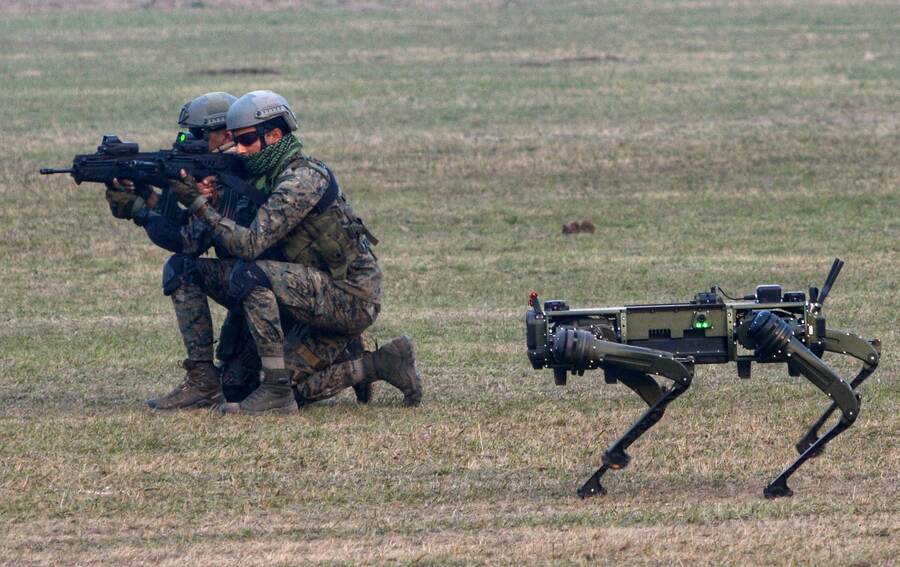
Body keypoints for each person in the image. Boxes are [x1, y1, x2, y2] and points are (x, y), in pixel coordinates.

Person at [165, 90, 422, 414]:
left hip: (350, 298)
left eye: (245, 140)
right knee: (186, 274)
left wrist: (200, 205)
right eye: (235, 141)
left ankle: (363, 366)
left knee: (252, 278)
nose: (240, 150)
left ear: (274, 135)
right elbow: (192, 244)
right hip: (300, 298)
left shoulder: (303, 178)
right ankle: (205, 379)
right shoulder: (254, 178)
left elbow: (249, 245)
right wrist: (145, 208)